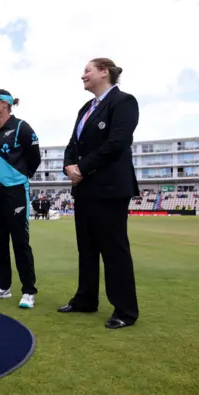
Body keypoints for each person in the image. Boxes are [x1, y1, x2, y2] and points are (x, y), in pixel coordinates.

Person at [59, 57, 140, 329]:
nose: (82, 75)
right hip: (84, 188)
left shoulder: (124, 102)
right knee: (87, 247)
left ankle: (125, 310)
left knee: (114, 250)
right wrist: (68, 166)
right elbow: (73, 143)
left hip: (110, 188)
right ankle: (85, 299)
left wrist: (82, 167)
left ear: (104, 72)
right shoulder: (85, 108)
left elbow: (117, 142)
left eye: (87, 70)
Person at [0, 89, 42, 309]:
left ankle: (28, 291)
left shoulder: (22, 127)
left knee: (20, 242)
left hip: (15, 191)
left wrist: (21, 177)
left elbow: (35, 158)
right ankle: (2, 287)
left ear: (6, 104)